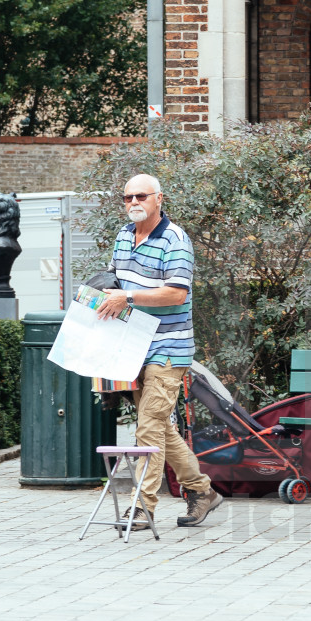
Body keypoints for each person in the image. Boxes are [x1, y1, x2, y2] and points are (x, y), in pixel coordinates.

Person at [95, 174, 222, 529]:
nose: (133, 202)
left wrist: (128, 298)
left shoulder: (175, 240)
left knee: (148, 427)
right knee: (159, 429)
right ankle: (202, 491)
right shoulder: (124, 236)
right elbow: (116, 281)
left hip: (168, 348)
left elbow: (176, 294)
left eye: (141, 196)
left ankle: (142, 506)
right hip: (132, 346)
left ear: (159, 199)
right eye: (127, 198)